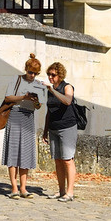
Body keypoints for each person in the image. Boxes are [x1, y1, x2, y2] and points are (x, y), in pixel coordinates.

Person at [0, 53, 45, 198]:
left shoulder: (38, 84)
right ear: (26, 69)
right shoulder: (16, 79)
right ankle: (14, 188)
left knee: (25, 152)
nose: (32, 75)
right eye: (30, 72)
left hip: (28, 117)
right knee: (13, 151)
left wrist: (36, 101)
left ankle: (23, 188)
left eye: (35, 73)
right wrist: (23, 97)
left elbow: (38, 107)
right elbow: (8, 97)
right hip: (15, 114)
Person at [41, 61, 79, 201]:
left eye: (53, 75)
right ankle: (61, 190)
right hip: (53, 128)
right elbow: (49, 112)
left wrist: (53, 91)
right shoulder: (50, 90)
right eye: (49, 74)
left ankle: (70, 192)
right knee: (57, 160)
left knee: (67, 159)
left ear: (60, 75)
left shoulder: (67, 87)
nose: (50, 77)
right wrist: (45, 131)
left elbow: (67, 101)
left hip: (67, 127)